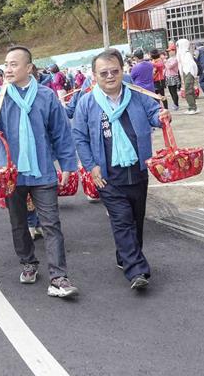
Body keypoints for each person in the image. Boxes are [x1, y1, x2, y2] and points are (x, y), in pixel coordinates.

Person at [0, 46, 79, 299]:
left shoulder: (46, 96)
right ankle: (28, 263)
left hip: (42, 170)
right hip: (10, 172)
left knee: (51, 224)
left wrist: (67, 164)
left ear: (29, 67)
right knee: (18, 222)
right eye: (6, 64)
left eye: (13, 64)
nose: (8, 69)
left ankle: (59, 277)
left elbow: (61, 133)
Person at [72, 49, 170, 290]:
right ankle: (137, 270)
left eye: (114, 71)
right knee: (122, 220)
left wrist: (162, 116)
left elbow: (153, 114)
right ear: (94, 75)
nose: (109, 76)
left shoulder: (136, 94)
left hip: (137, 171)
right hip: (107, 176)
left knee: (136, 220)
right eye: (103, 73)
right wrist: (91, 166)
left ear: (122, 71)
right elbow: (79, 136)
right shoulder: (87, 102)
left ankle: (125, 255)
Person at [177, 39, 199, 114]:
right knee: (190, 90)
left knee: (188, 91)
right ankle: (193, 107)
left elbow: (193, 65)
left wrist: (194, 75)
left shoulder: (186, 54)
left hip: (189, 73)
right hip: (187, 73)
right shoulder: (184, 54)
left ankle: (192, 108)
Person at [164, 45, 181, 111]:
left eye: (170, 51)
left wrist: (165, 61)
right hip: (168, 76)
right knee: (171, 91)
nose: (169, 52)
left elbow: (169, 66)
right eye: (168, 51)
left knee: (174, 92)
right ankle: (174, 104)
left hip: (173, 76)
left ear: (174, 51)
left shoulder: (176, 59)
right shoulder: (169, 59)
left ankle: (176, 104)